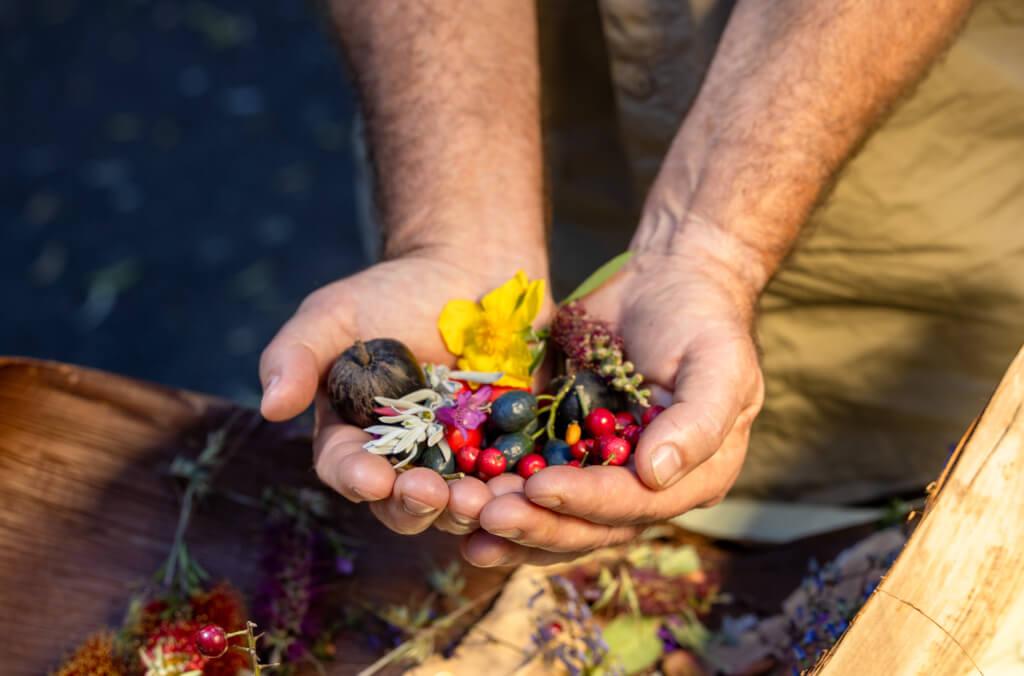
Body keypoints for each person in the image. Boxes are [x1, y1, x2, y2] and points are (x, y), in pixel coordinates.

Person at [258, 0, 1024, 568]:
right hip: (537, 156)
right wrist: (451, 225)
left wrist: (712, 245)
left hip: (918, 245)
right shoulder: (509, 399)